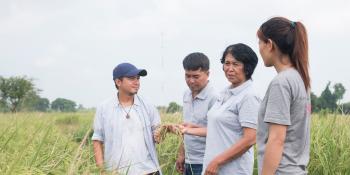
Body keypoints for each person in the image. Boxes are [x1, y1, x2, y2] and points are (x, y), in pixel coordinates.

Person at [180, 43, 260, 175]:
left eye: (236, 64)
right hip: (214, 167)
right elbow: (218, 129)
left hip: (232, 170)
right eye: (227, 63)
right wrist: (191, 128)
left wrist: (218, 161)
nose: (229, 68)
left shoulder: (249, 96)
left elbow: (250, 138)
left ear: (247, 67)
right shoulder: (225, 93)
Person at [256, 17, 311, 175]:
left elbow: (276, 140)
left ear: (270, 45)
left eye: (260, 42)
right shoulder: (299, 78)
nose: (259, 48)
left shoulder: (281, 83)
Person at [91, 62, 162, 175]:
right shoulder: (104, 108)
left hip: (147, 171)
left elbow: (158, 134)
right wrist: (101, 170)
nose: (136, 82)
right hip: (116, 172)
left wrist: (161, 133)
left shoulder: (148, 105)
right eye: (131, 78)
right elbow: (97, 140)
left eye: (138, 78)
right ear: (118, 82)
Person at [175, 52, 218, 175]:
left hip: (206, 162)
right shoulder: (186, 94)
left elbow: (217, 131)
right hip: (188, 160)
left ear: (207, 74)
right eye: (187, 76)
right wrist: (181, 154)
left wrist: (188, 130)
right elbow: (185, 128)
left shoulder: (214, 97)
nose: (191, 81)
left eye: (196, 76)